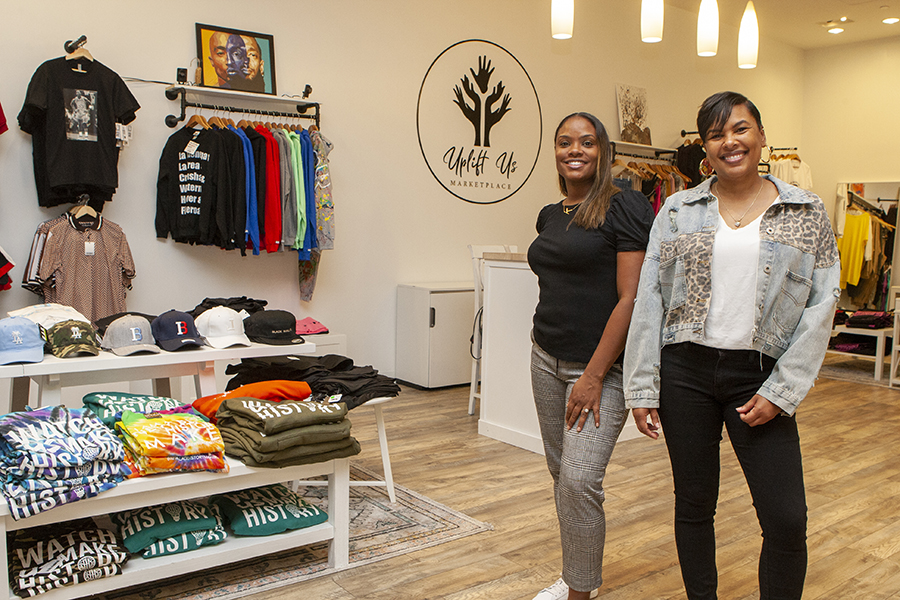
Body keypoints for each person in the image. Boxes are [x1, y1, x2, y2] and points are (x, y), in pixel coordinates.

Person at [623, 91, 840, 600]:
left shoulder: (804, 210)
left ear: (761, 136)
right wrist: (642, 386)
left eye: (740, 129)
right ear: (705, 147)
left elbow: (822, 303)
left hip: (760, 376)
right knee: (694, 504)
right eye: (717, 134)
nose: (730, 141)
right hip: (685, 373)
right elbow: (649, 298)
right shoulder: (677, 209)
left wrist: (783, 390)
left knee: (786, 518)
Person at [528, 112, 654, 600]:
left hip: (602, 369)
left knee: (580, 480)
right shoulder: (549, 214)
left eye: (586, 142)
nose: (574, 150)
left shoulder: (625, 206)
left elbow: (630, 298)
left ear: (603, 151)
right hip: (545, 358)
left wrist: (595, 375)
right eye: (565, 142)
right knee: (563, 477)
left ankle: (579, 592)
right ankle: (576, 575)